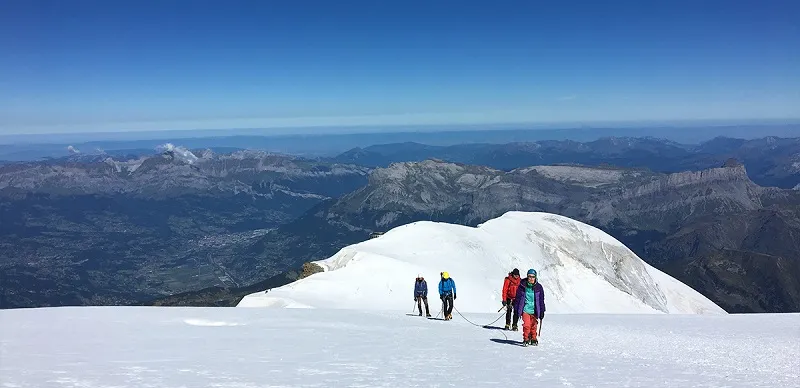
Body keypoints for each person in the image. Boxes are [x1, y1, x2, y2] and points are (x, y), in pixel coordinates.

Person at [514, 269, 545, 346]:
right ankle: (526, 338)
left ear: (535, 277)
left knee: (533, 326)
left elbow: (541, 300)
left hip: (535, 310)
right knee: (527, 325)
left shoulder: (539, 287)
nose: (531, 278)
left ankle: (533, 338)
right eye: (529, 276)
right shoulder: (522, 286)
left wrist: (542, 311)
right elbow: (518, 298)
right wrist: (516, 309)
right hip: (526, 310)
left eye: (533, 277)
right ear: (527, 277)